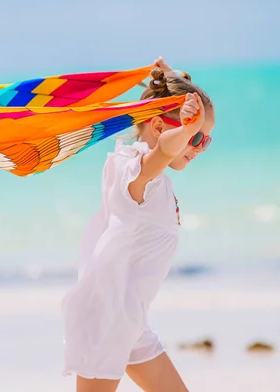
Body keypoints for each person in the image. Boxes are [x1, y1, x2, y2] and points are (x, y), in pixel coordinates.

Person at [61, 57, 215, 392]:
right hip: (107, 318)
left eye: (206, 139)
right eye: (197, 139)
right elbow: (161, 151)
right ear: (160, 128)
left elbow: (162, 137)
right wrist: (184, 130)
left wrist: (169, 79)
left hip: (129, 318)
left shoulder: (144, 171)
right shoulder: (138, 172)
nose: (200, 148)